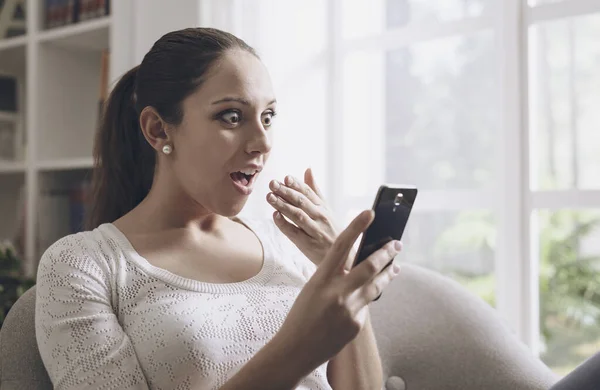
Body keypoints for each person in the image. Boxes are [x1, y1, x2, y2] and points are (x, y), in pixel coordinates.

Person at [34, 27, 402, 390]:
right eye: (232, 116)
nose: (262, 142)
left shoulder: (292, 247)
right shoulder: (82, 265)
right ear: (158, 130)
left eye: (268, 117)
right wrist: (299, 349)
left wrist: (343, 275)